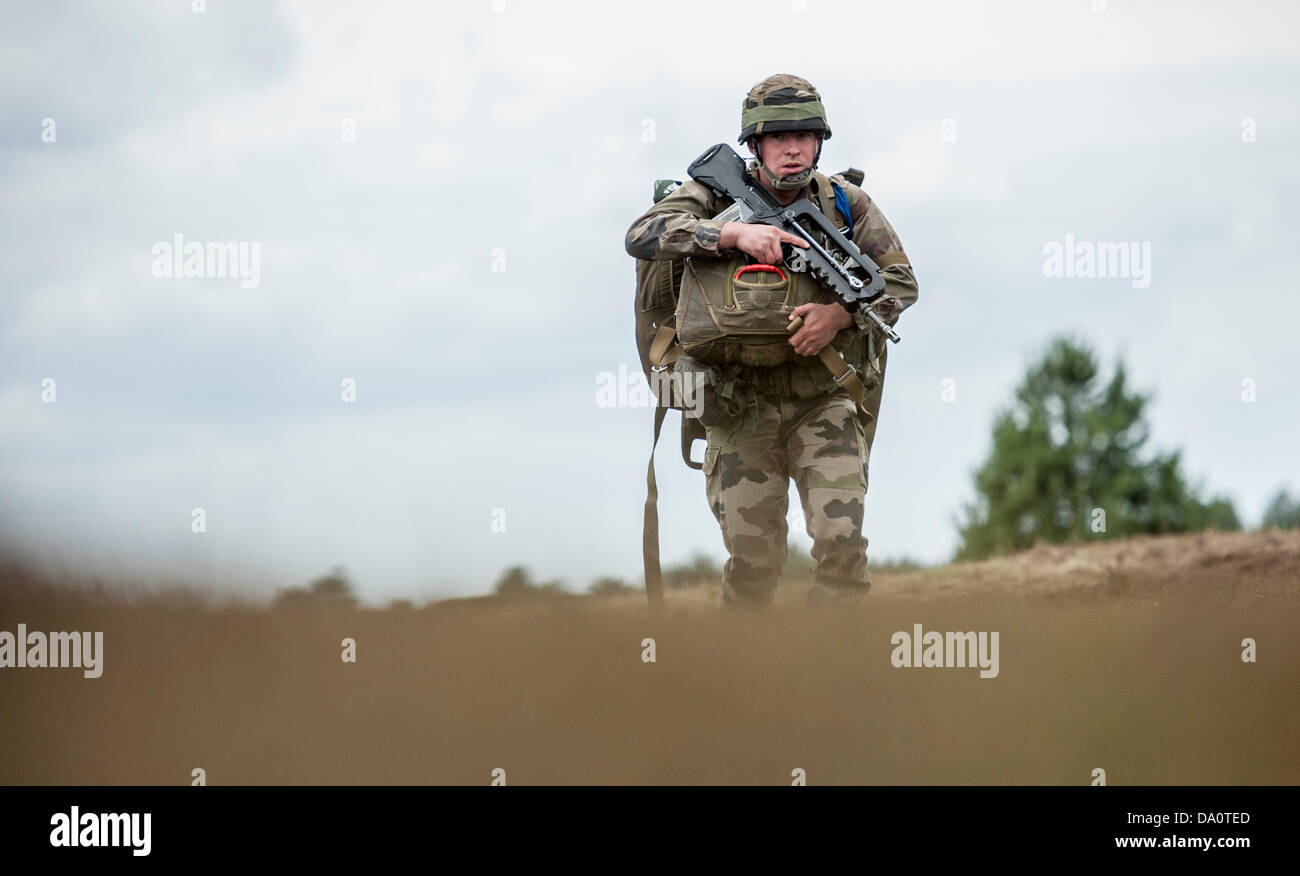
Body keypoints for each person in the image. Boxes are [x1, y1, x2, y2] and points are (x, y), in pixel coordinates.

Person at [624, 74, 918, 610]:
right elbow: (641, 235)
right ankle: (749, 683)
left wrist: (837, 317)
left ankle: (835, 677)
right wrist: (732, 234)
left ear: (819, 142)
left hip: (821, 400)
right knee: (755, 567)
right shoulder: (714, 195)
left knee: (842, 547)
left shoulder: (844, 204)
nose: (793, 147)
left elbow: (899, 285)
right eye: (779, 137)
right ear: (754, 145)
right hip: (736, 404)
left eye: (805, 136)